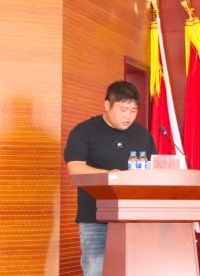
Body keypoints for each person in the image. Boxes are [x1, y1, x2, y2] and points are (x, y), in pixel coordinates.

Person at [64, 80, 157, 276]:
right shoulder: (84, 131)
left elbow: (153, 170)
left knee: (133, 269)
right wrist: (111, 175)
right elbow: (75, 168)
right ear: (107, 105)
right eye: (123, 110)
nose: (128, 116)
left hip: (134, 217)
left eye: (133, 110)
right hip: (95, 215)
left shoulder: (143, 136)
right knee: (96, 269)